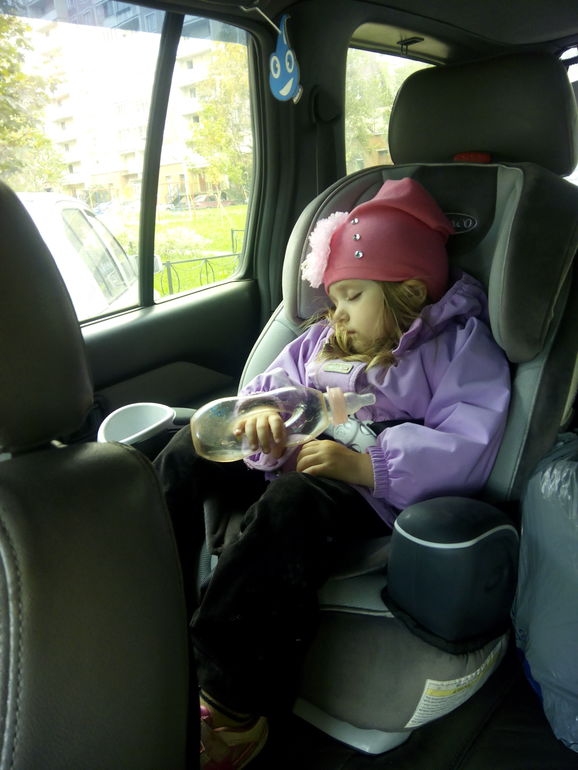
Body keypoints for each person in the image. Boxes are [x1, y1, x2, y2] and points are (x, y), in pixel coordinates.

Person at [153, 178, 511, 769]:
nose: (336, 312)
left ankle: (231, 706)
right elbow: (269, 386)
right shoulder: (320, 341)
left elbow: (468, 440)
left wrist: (369, 466)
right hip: (290, 457)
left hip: (368, 491)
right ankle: (146, 591)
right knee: (184, 450)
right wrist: (260, 416)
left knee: (294, 501)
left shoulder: (455, 348)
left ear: (408, 291)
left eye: (350, 295)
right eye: (333, 298)